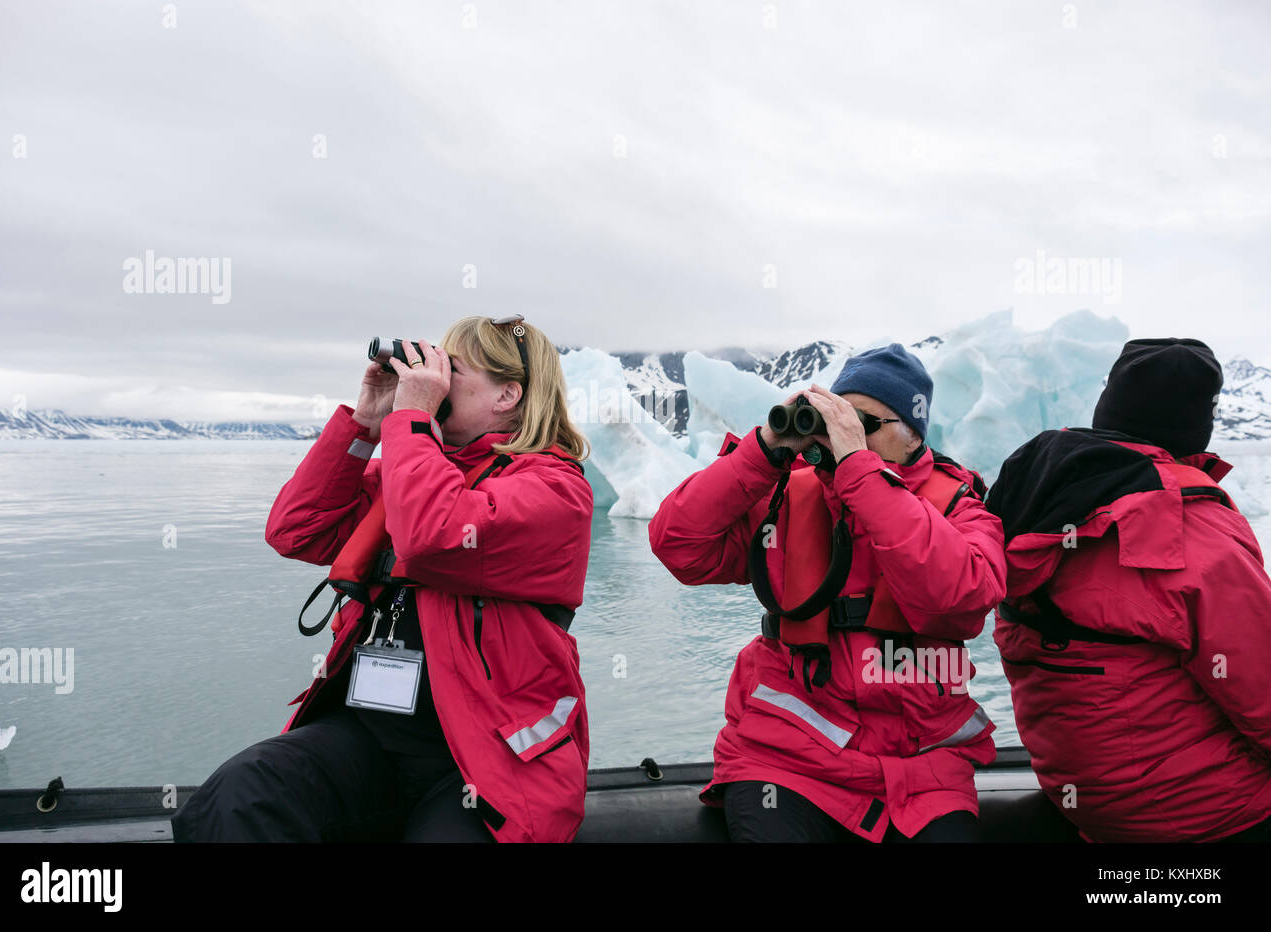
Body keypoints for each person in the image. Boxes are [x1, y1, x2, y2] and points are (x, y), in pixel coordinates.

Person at [171, 315, 593, 842]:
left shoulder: (554, 490)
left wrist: (412, 420)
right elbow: (297, 532)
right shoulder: (416, 467)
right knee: (240, 794)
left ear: (508, 395)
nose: (430, 376)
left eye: (451, 368)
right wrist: (366, 424)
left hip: (486, 758)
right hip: (370, 736)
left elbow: (432, 534)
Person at [649, 343, 1007, 842]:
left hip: (921, 773)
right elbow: (678, 546)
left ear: (911, 435)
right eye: (838, 418)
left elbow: (961, 598)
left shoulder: (961, 508)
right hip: (788, 760)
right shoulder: (788, 496)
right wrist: (762, 450)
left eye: (864, 423)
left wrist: (862, 474)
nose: (843, 435)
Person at [987, 337, 1271, 842]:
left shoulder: (1029, 500)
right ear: (1196, 423)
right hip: (1203, 814)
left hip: (1086, 797)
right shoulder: (1191, 529)